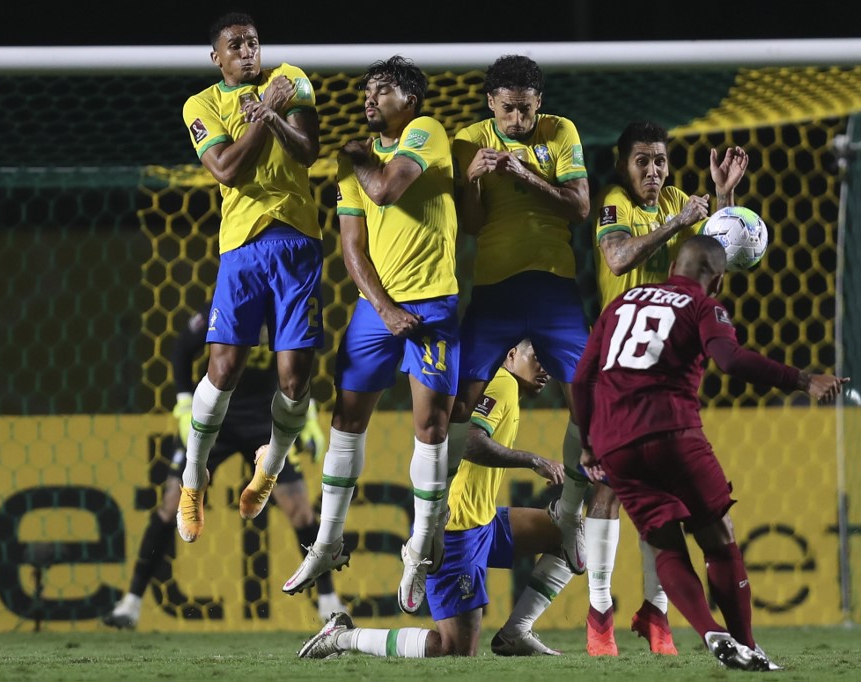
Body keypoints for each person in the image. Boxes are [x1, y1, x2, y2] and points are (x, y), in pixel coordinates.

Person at [572, 236, 848, 671]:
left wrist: (589, 442)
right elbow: (731, 360)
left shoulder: (621, 303)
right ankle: (748, 644)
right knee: (718, 538)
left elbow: (582, 376)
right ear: (716, 279)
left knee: (665, 545)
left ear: (673, 266)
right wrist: (802, 379)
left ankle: (709, 632)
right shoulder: (702, 305)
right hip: (672, 432)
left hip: (614, 443)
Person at [281, 56, 459, 615]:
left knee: (430, 426)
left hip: (433, 304)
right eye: (366, 90)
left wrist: (359, 158)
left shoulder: (425, 134)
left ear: (409, 99)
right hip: (376, 311)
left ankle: (418, 550)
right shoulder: (350, 159)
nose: (369, 98)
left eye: (381, 89)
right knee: (345, 418)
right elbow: (351, 247)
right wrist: (382, 309)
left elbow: (385, 191)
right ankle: (328, 541)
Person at [298, 340, 576, 659]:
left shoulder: (503, 386)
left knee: (567, 533)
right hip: (455, 528)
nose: (547, 369)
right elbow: (470, 440)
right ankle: (343, 637)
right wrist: (534, 461)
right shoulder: (501, 385)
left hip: (483, 520)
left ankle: (516, 632)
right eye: (538, 357)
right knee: (454, 650)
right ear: (511, 354)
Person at [584, 121, 749, 656]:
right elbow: (616, 258)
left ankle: (656, 611)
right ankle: (601, 611)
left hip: (668, 363)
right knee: (607, 488)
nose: (653, 171)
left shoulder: (679, 198)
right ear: (623, 163)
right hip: (619, 360)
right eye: (642, 161)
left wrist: (724, 197)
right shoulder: (614, 202)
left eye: (660, 161)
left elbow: (717, 248)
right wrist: (678, 220)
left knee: (668, 496)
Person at [102, 306, 344, 629]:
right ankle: (130, 603)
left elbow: (301, 362)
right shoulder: (228, 304)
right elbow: (180, 349)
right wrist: (185, 401)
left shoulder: (286, 310)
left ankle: (328, 601)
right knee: (172, 503)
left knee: (300, 507)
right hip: (217, 417)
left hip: (265, 420)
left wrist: (309, 413)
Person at [177, 12, 323, 546]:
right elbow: (226, 169)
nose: (247, 50)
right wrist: (265, 115)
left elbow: (307, 152)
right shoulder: (202, 104)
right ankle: (194, 478)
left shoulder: (293, 79)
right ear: (216, 57)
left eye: (253, 42)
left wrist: (274, 112)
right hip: (241, 247)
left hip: (298, 243)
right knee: (225, 366)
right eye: (235, 44)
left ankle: (270, 469)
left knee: (294, 378)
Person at [448, 55, 591, 580]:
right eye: (507, 110)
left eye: (526, 111)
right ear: (490, 104)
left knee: (589, 407)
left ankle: (570, 514)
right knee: (458, 406)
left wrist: (523, 171)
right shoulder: (467, 138)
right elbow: (470, 225)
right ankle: (428, 526)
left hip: (553, 286)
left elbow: (578, 207)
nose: (517, 121)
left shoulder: (560, 132)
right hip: (494, 289)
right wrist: (472, 181)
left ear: (539, 105)